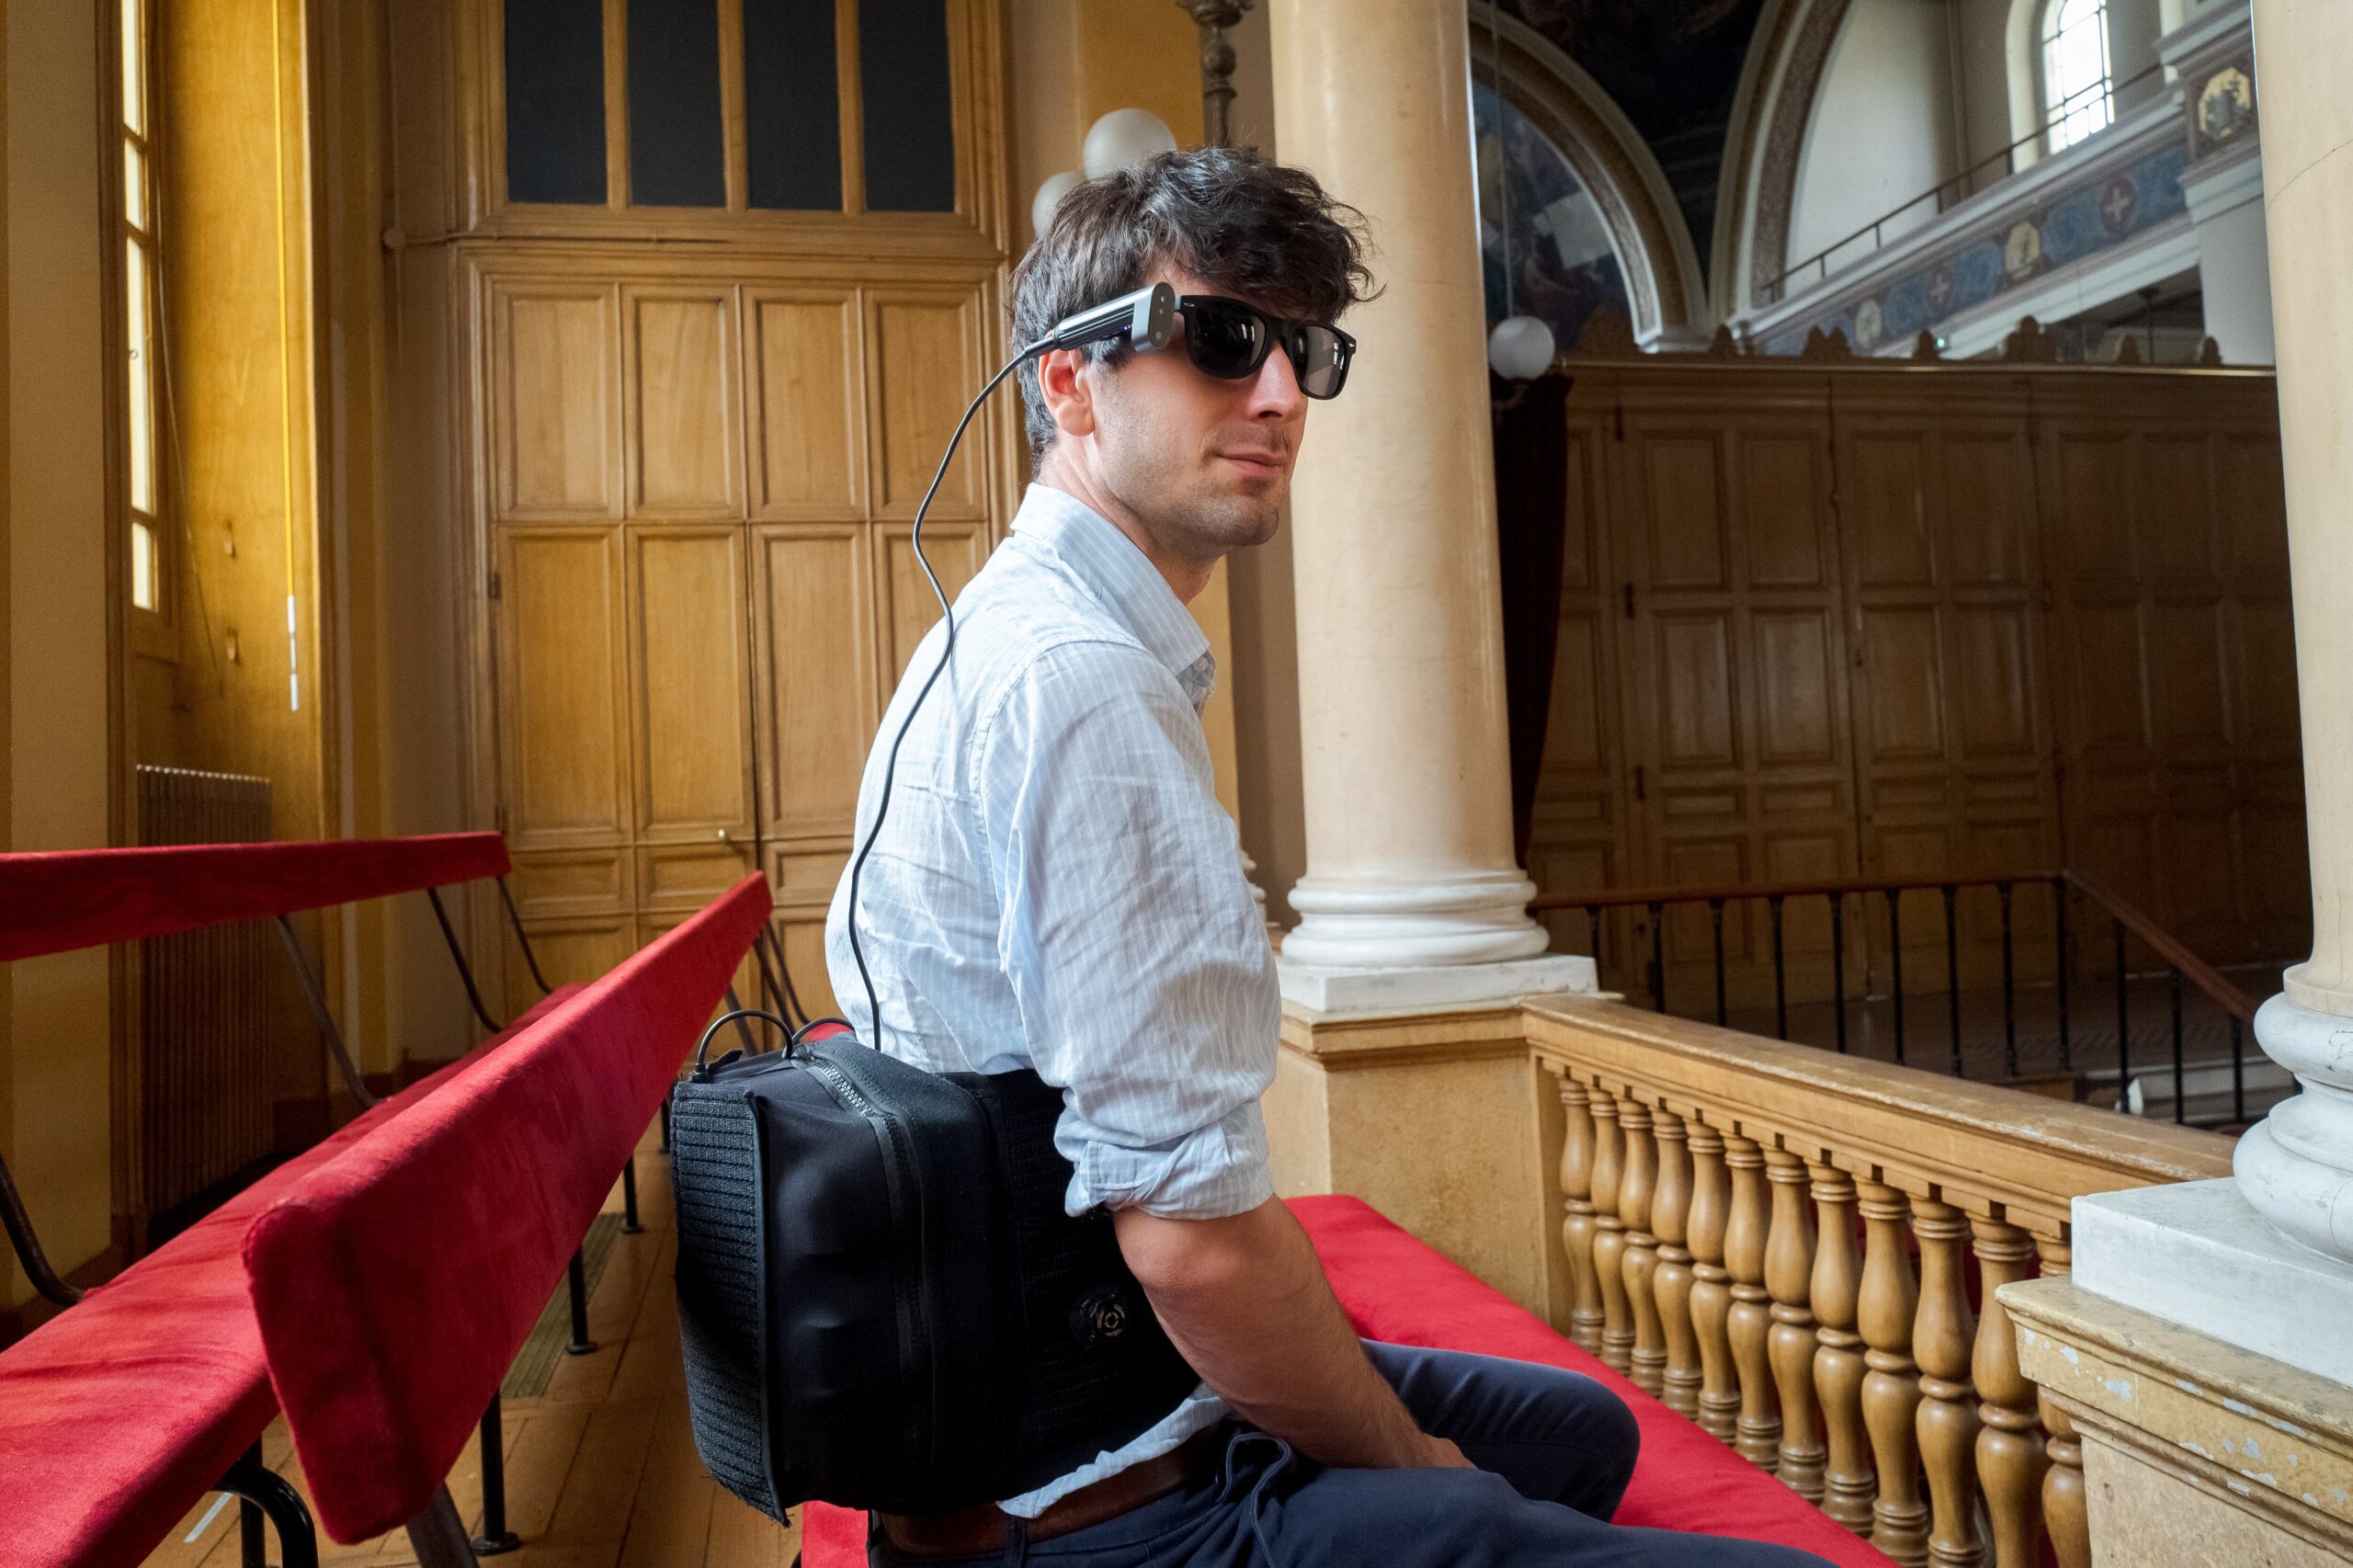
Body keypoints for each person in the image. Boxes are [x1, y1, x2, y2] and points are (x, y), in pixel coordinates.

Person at [824, 145, 1830, 1568]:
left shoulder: (1030, 626)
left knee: (1579, 1435)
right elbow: (1189, 1241)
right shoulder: (1078, 683)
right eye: (1222, 339)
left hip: (1089, 1386)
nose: (1283, 395)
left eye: (1304, 349)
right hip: (1105, 1498)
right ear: (1070, 384)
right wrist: (1421, 1471)